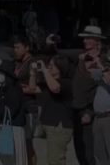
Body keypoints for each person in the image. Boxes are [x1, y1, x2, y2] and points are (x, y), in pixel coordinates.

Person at [30, 55, 74, 165]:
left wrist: (44, 70)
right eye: (48, 65)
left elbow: (55, 88)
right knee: (52, 159)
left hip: (59, 126)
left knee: (55, 160)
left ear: (60, 67)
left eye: (51, 66)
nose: (48, 67)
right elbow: (32, 88)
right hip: (49, 124)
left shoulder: (66, 82)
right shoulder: (49, 81)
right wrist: (33, 73)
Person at [73, 25, 102, 165]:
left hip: (90, 112)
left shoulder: (102, 60)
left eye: (88, 38)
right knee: (80, 150)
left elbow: (100, 89)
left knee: (90, 152)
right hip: (76, 109)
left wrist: (89, 112)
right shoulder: (80, 56)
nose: (85, 41)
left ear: (97, 40)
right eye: (84, 38)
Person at [0, 61, 27, 165]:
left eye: (1, 73)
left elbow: (11, 109)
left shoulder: (15, 89)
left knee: (14, 158)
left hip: (13, 128)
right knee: (2, 157)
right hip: (1, 126)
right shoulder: (0, 88)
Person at [14, 36, 38, 164]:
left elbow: (34, 87)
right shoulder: (18, 62)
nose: (15, 50)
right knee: (21, 141)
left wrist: (19, 88)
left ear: (27, 48)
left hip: (29, 106)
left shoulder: (32, 63)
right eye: (14, 47)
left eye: (18, 47)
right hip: (19, 106)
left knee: (28, 141)